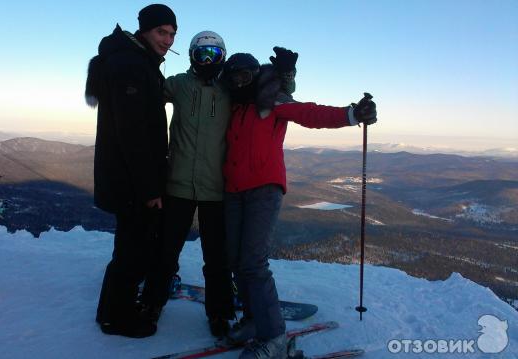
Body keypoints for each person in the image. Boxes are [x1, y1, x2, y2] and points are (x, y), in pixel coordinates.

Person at [221, 50, 377, 358]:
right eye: (234, 76)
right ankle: (254, 321)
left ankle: (274, 337)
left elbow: (310, 113)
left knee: (253, 262)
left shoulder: (272, 100)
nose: (240, 81)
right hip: (233, 190)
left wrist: (352, 114)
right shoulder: (232, 105)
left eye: (246, 75)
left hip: (264, 189)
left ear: (256, 75)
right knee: (236, 261)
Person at [84, 4, 177, 338]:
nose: (167, 40)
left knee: (131, 247)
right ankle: (115, 317)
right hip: (131, 181)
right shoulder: (131, 66)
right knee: (132, 251)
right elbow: (133, 133)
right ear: (144, 32)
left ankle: (116, 309)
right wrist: (150, 189)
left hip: (128, 178)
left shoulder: (136, 61)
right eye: (160, 32)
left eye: (171, 34)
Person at [139, 31, 235, 338]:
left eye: (214, 55)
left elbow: (270, 93)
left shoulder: (231, 89)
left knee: (217, 258)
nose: (207, 61)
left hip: (216, 188)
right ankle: (151, 304)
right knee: (165, 251)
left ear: (223, 58)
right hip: (178, 184)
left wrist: (286, 77)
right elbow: (145, 89)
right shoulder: (179, 83)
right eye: (202, 54)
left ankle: (220, 314)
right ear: (192, 55)